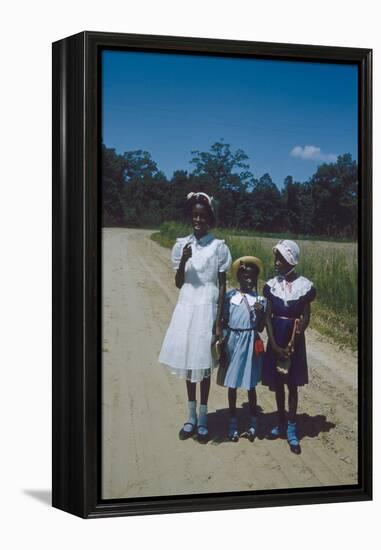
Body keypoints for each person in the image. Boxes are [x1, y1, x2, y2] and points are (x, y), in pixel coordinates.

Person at [159, 192, 232, 443]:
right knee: (190, 363)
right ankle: (190, 417)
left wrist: (219, 318)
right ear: (191, 218)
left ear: (210, 219)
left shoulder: (218, 247)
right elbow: (179, 282)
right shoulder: (182, 245)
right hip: (187, 306)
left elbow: (222, 284)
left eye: (203, 216)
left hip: (207, 308)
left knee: (204, 363)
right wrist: (184, 261)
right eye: (195, 216)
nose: (198, 219)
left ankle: (203, 417)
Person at [262, 239, 316, 454]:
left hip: (294, 341)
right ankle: (281, 421)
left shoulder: (304, 286)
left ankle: (292, 427)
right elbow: (267, 317)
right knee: (278, 382)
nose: (276, 263)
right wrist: (274, 345)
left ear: (291, 261)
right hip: (276, 337)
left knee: (291, 384)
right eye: (276, 258)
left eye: (281, 259)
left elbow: (306, 315)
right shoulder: (271, 286)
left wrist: (296, 336)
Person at [220, 257, 266, 442]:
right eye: (245, 275)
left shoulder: (260, 300)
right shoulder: (230, 297)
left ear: (256, 278)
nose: (249, 279)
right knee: (232, 383)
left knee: (250, 383)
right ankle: (233, 422)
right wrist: (222, 344)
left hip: (249, 342)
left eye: (252, 276)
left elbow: (261, 327)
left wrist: (260, 311)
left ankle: (253, 423)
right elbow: (223, 321)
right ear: (238, 277)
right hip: (233, 341)